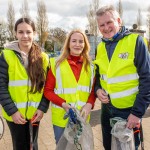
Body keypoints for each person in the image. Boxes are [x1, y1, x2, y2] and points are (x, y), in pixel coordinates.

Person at [94, 5, 150, 150]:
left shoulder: (136, 42)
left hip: (129, 111)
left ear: (118, 21)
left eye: (109, 22)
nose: (106, 28)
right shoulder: (99, 47)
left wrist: (137, 113)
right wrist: (98, 90)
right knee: (108, 146)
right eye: (102, 25)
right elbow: (99, 76)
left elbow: (147, 79)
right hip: (106, 110)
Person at [0, 18, 49, 150]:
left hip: (35, 114)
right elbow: (1, 86)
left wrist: (42, 109)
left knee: (33, 145)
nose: (25, 36)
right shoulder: (6, 55)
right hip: (15, 115)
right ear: (15, 33)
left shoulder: (43, 58)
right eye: (21, 32)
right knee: (20, 146)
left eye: (28, 32)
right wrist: (13, 112)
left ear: (34, 33)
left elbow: (47, 87)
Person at [44, 29, 96, 144]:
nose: (77, 44)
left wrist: (89, 104)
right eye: (74, 41)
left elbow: (92, 92)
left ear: (85, 44)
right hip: (62, 119)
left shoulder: (92, 67)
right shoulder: (55, 64)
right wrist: (64, 104)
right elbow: (48, 91)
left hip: (82, 118)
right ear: (68, 44)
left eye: (81, 41)